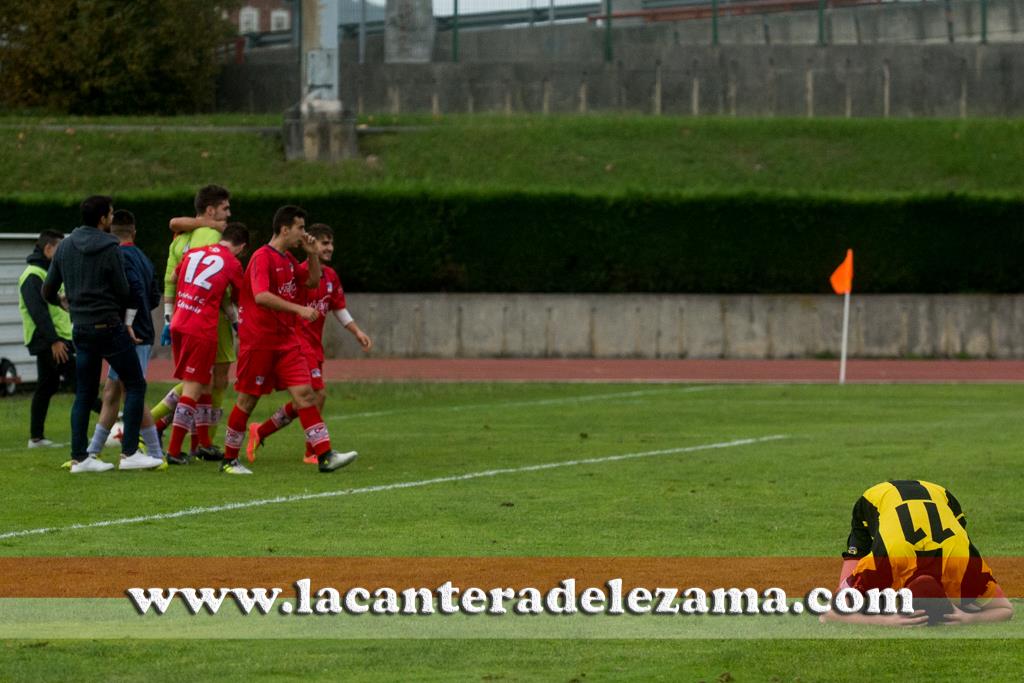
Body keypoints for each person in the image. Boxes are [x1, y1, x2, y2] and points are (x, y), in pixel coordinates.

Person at [220, 205, 356, 475]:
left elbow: (313, 282)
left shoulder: (289, 260)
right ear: (285, 229)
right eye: (300, 228)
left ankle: (324, 455)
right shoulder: (263, 257)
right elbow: (261, 296)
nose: (303, 234)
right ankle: (228, 460)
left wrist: (312, 255)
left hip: (286, 342)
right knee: (247, 401)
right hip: (259, 342)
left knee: (307, 394)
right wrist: (299, 309)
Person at [41, 196, 164, 473]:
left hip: (81, 329)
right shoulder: (110, 246)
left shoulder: (66, 245)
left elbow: (47, 291)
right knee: (134, 384)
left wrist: (65, 301)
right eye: (109, 214)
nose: (111, 218)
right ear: (103, 219)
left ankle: (80, 458)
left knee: (84, 392)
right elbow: (123, 290)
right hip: (108, 326)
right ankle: (130, 452)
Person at [246, 222, 372, 464]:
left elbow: (338, 308)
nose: (330, 248)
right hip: (298, 343)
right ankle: (313, 451)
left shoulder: (331, 276)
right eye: (325, 243)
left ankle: (260, 431)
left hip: (315, 345)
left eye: (331, 243)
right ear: (311, 242)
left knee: (305, 398)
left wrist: (357, 332)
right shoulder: (300, 273)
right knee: (317, 394)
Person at [821, 479, 1013, 625]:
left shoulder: (961, 567)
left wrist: (883, 620)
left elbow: (828, 613)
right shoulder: (887, 563)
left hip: (939, 496)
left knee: (853, 601)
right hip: (877, 500)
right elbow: (827, 614)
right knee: (851, 582)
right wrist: (885, 620)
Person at [150, 184, 235, 458]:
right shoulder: (210, 234)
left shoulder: (180, 237)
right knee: (211, 379)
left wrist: (167, 317)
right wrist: (235, 316)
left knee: (201, 378)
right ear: (210, 210)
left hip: (183, 315)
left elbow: (169, 278)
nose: (229, 214)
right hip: (210, 316)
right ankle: (154, 423)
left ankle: (196, 442)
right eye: (225, 208)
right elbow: (214, 278)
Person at [165, 224, 247, 465]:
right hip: (201, 328)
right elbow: (240, 297)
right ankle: (173, 450)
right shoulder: (232, 263)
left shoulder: (194, 252)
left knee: (204, 383)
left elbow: (173, 276)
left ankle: (204, 444)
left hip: (180, 321)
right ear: (241, 247)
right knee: (193, 387)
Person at [86, 210, 163, 458]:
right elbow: (152, 297)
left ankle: (154, 452)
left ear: (110, 231)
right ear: (134, 231)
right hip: (136, 332)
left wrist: (127, 320)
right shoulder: (144, 258)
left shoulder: (116, 257)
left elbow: (133, 292)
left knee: (132, 391)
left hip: (132, 334)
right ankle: (92, 451)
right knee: (112, 391)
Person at [19, 231, 73, 449]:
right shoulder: (33, 275)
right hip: (48, 340)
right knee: (78, 379)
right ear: (48, 249)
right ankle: (115, 420)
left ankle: (36, 438)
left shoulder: (47, 272)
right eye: (59, 249)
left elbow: (54, 306)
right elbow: (38, 312)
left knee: (47, 385)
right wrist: (54, 341)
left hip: (57, 337)